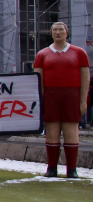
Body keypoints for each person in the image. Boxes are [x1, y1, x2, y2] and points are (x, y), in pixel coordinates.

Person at [33, 21, 90, 178]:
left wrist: (83, 99)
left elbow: (85, 77)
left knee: (71, 131)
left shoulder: (79, 53)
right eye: (55, 30)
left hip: (72, 95)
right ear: (51, 33)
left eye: (61, 30)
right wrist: (40, 100)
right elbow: (38, 78)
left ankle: (72, 169)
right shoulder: (42, 54)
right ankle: (52, 168)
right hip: (51, 96)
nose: (58, 32)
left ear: (67, 32)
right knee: (52, 131)